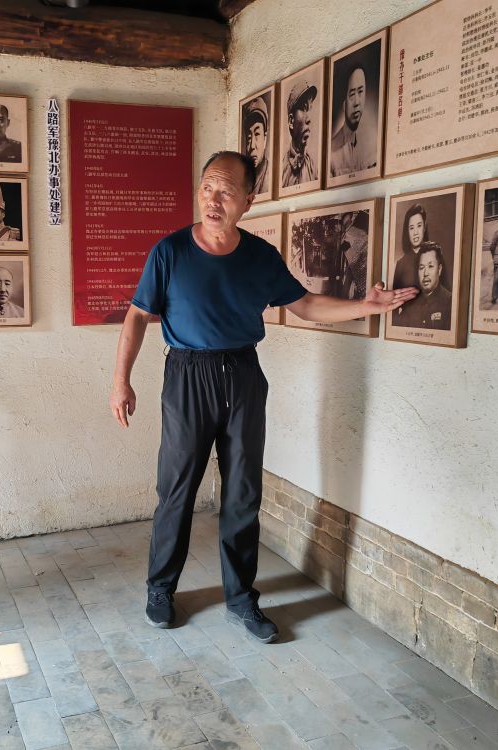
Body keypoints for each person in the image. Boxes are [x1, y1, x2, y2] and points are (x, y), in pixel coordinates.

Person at [108, 151, 416, 643]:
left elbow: (306, 304)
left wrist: (365, 306)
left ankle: (240, 598)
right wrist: (121, 380)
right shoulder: (169, 252)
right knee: (177, 489)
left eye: (227, 191)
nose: (214, 199)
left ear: (247, 201)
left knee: (243, 491)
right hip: (188, 375)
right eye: (208, 187)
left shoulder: (260, 256)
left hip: (244, 375)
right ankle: (161, 589)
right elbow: (137, 316)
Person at [329, 66, 377, 178]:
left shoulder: (373, 144)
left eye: (360, 92)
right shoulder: (331, 152)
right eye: (351, 94)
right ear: (344, 103)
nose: (357, 102)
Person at [402, 242, 451, 329]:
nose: (425, 273)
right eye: (421, 268)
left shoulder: (450, 302)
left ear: (439, 269)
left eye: (430, 266)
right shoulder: (409, 303)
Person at [281, 81, 318, 188]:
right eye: (304, 108)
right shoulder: (280, 170)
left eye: (310, 109)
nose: (309, 119)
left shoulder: (314, 168)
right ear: (291, 121)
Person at [242, 96, 271, 196]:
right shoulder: (243, 180)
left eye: (257, 134)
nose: (252, 146)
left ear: (265, 138)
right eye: (249, 137)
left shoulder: (269, 175)